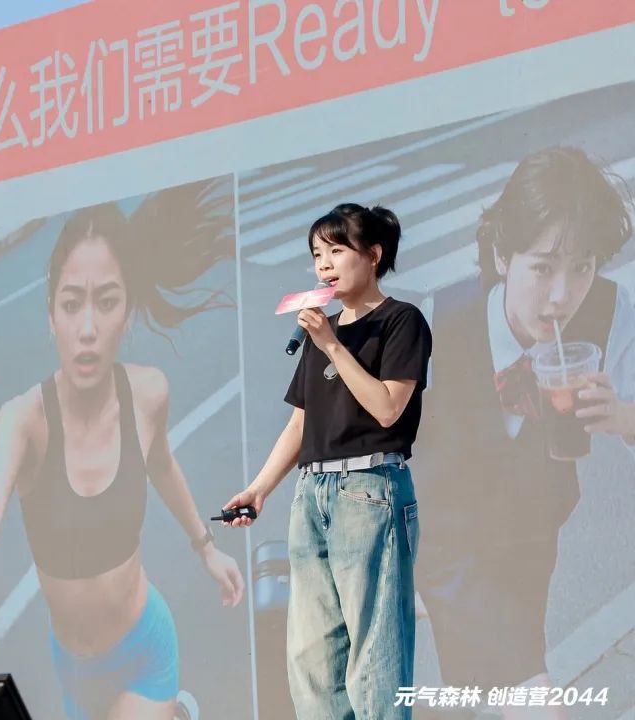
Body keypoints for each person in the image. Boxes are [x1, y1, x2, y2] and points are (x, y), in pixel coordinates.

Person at [0, 177, 246, 720]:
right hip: (73, 672)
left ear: (127, 313)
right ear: (51, 315)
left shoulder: (148, 393)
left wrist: (206, 547)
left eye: (106, 302)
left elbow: (161, 462)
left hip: (145, 651)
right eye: (71, 303)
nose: (87, 327)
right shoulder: (24, 420)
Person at [412, 146, 635, 719]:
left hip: (534, 536)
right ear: (502, 255)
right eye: (543, 268)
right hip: (449, 546)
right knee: (533, 695)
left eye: (582, 267)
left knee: (478, 686)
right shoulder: (439, 322)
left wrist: (619, 416)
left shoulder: (610, 312)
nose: (562, 295)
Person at [223, 203, 432, 719]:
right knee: (312, 662)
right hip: (312, 495)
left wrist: (333, 345)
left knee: (375, 658)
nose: (324, 265)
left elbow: (388, 407)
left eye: (336, 250)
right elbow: (300, 424)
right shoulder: (323, 333)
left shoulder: (400, 321)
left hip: (370, 490)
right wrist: (259, 489)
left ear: (373, 255)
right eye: (317, 254)